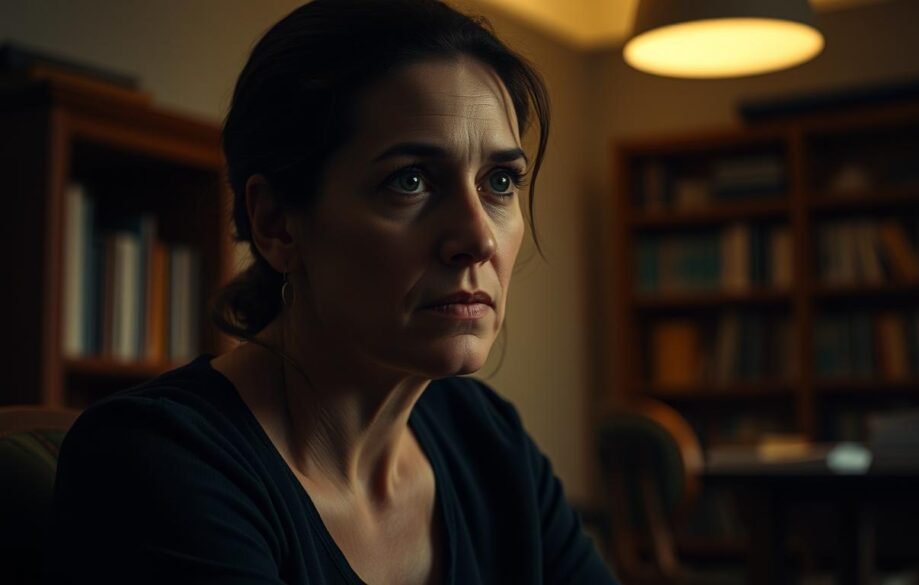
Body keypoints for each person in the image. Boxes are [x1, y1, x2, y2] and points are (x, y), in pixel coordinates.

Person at [46, 0, 619, 583]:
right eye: (411, 180)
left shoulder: (488, 441)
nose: (477, 237)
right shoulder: (154, 464)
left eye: (499, 182)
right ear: (277, 224)